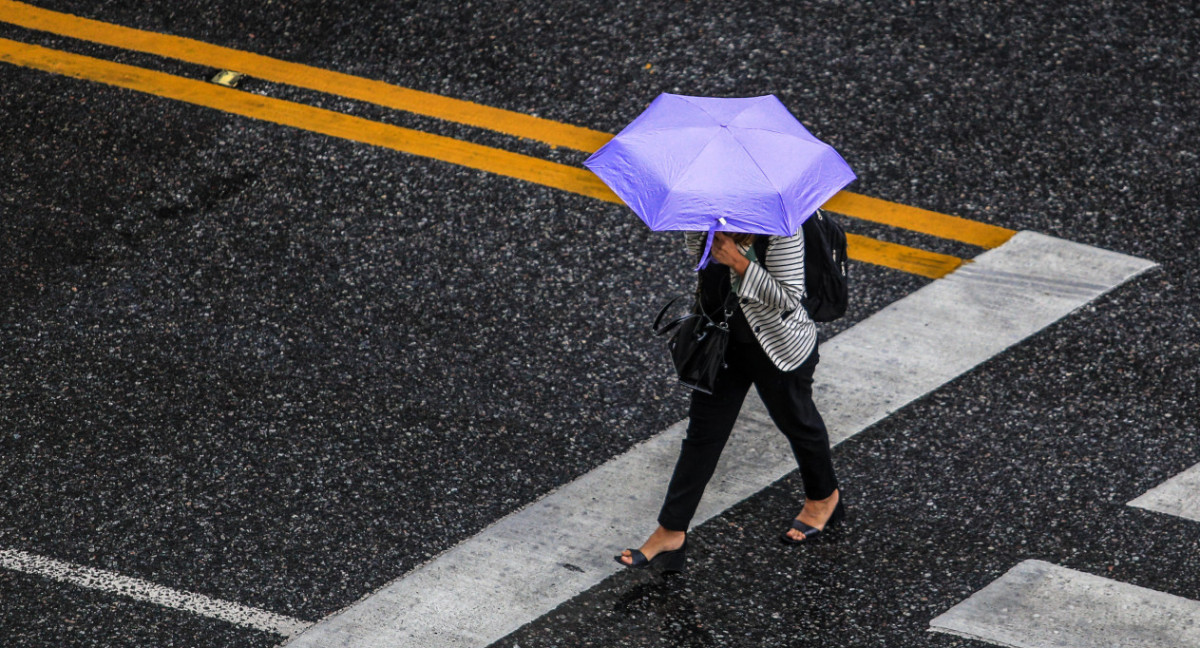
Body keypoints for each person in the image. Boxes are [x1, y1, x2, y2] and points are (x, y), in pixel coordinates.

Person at [616, 219, 844, 572]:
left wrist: (739, 262)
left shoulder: (783, 226)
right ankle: (671, 530)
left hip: (777, 347)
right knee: (702, 437)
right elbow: (698, 259)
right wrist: (706, 235)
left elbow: (788, 296)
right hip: (722, 342)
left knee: (797, 422)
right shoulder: (708, 213)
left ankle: (824, 497)